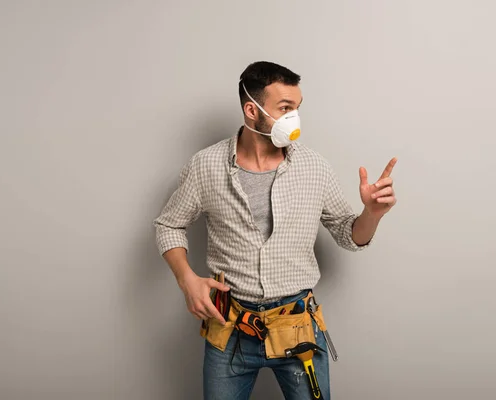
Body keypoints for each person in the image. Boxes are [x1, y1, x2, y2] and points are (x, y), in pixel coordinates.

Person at [153, 61, 397, 400]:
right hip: (229, 330)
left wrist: (372, 213)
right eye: (285, 108)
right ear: (251, 110)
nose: (294, 117)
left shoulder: (314, 167)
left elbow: (348, 234)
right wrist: (186, 279)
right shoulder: (204, 166)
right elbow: (169, 224)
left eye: (296, 108)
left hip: (298, 328)